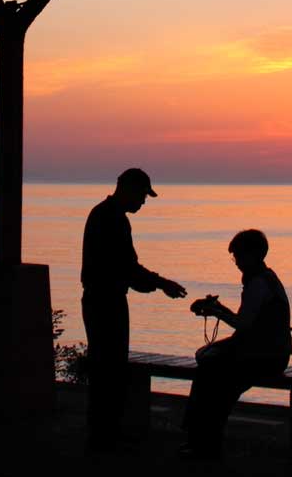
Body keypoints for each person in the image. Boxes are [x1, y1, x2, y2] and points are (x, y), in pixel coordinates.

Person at [81, 167, 187, 452]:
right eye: (142, 195)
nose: (143, 202)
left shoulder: (106, 215)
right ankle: (104, 436)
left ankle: (104, 432)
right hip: (106, 301)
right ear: (126, 189)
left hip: (103, 298)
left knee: (108, 368)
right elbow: (126, 267)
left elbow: (126, 269)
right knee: (109, 369)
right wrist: (161, 283)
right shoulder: (112, 219)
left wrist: (151, 283)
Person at [182, 228, 292, 461]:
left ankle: (200, 440)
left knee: (211, 374)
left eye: (238, 257)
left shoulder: (258, 284)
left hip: (264, 356)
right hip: (268, 352)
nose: (237, 263)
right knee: (209, 367)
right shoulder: (265, 279)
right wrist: (219, 310)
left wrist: (216, 312)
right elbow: (247, 322)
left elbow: (243, 325)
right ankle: (201, 440)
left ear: (253, 255)